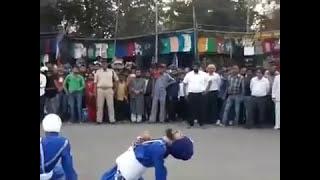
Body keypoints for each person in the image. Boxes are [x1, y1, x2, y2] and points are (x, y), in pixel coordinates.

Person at [100, 129, 194, 180]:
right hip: (124, 168)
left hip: (123, 174)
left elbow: (160, 171)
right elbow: (146, 150)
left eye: (181, 136)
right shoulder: (161, 144)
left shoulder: (159, 148)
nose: (180, 132)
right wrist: (145, 139)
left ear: (176, 144)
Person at [40, 114, 78, 180]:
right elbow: (68, 168)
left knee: (58, 169)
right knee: (61, 170)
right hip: (45, 173)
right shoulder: (63, 142)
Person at [183, 63, 208, 128]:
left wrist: (206, 90)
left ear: (199, 67)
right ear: (192, 67)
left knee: (202, 109)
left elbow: (209, 81)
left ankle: (201, 123)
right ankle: (191, 123)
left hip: (201, 93)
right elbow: (184, 84)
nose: (195, 68)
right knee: (191, 109)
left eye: (196, 67)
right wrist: (185, 94)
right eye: (194, 66)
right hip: (191, 93)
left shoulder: (204, 74)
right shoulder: (189, 74)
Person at [94, 59, 119, 124]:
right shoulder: (98, 72)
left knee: (110, 105)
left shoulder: (112, 71)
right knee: (100, 106)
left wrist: (115, 89)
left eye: (105, 63)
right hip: (100, 89)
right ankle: (99, 120)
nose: (104, 64)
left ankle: (112, 120)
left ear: (107, 64)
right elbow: (95, 82)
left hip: (109, 89)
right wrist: (95, 91)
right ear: (101, 64)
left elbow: (116, 80)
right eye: (103, 63)